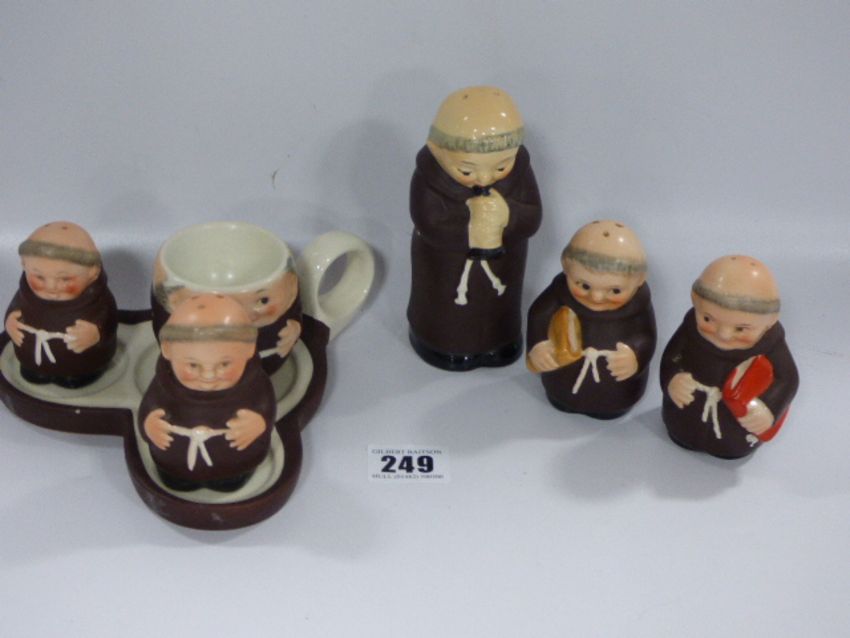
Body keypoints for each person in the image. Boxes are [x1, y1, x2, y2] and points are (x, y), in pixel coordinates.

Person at [408, 85, 542, 370]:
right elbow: (429, 223)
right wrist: (472, 222)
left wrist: (508, 214)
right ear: (437, 151)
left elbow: (532, 217)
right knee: (446, 314)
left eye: (500, 167)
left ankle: (500, 342)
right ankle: (443, 346)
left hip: (506, 264)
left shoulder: (519, 172)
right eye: (467, 170)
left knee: (500, 307)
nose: (484, 179)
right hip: (445, 269)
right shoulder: (429, 178)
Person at [660, 256, 799, 459]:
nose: (723, 335)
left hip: (733, 431)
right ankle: (683, 436)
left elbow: (787, 380)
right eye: (708, 318)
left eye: (741, 328)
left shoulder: (771, 346)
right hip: (685, 415)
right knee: (683, 432)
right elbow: (671, 357)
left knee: (730, 446)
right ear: (695, 300)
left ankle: (728, 450)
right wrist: (673, 380)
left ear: (770, 321)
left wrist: (768, 409)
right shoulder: (690, 329)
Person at [139, 294, 276, 492]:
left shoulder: (254, 384)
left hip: (235, 461)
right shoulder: (164, 385)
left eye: (224, 364)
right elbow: (149, 406)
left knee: (231, 480)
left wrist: (259, 422)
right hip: (174, 462)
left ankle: (232, 476)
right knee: (175, 481)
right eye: (193, 365)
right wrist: (149, 425)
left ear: (249, 349)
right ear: (167, 349)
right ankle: (177, 475)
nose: (209, 375)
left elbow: (266, 405)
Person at [527, 221, 656, 418]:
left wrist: (634, 357)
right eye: (584, 285)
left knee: (610, 406)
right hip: (562, 378)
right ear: (566, 267)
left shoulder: (638, 307)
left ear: (639, 279)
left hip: (615, 390)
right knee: (561, 396)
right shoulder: (559, 294)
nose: (596, 297)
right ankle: (563, 398)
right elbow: (538, 316)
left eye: (615, 290)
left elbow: (646, 337)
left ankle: (609, 407)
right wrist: (537, 346)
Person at [4, 221, 117, 388]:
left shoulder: (97, 299)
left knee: (79, 374)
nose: (51, 287)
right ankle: (36, 371)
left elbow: (109, 319)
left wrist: (96, 333)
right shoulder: (25, 295)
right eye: (39, 277)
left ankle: (78, 374)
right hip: (31, 360)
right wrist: (10, 323)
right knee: (32, 374)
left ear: (93, 271)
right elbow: (14, 309)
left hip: (83, 364)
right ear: (24, 265)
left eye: (65, 279)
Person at [152, 256, 301, 375]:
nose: (246, 315)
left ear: (291, 287)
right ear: (174, 303)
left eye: (263, 300)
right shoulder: (178, 335)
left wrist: (294, 330)